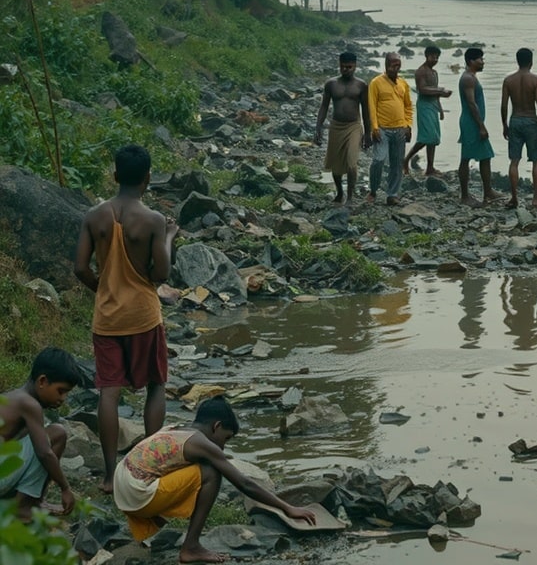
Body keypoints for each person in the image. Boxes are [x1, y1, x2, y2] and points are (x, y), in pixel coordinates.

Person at [74, 143, 177, 493]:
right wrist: (169, 238)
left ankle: (107, 475)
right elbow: (160, 274)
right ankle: (151, 466)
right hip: (144, 316)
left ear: (115, 175)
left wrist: (102, 290)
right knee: (156, 384)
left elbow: (80, 267)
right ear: (148, 179)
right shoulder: (153, 221)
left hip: (107, 317)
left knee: (108, 391)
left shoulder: (94, 215)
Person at [113, 396, 316, 562]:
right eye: (226, 438)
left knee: (194, 469)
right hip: (137, 493)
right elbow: (244, 483)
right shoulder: (200, 442)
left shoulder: (177, 429)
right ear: (216, 426)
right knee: (211, 472)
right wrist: (287, 508)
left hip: (123, 487)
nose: (223, 447)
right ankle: (191, 547)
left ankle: (159, 523)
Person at [0, 347, 81, 521]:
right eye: (61, 391)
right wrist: (65, 488)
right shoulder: (29, 404)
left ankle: (28, 502)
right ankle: (26, 506)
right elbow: (44, 452)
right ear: (42, 381)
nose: (63, 398)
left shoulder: (17, 397)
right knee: (57, 434)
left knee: (46, 436)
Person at [314, 51, 371, 205]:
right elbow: (324, 106)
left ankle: (351, 197)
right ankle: (340, 193)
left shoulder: (361, 85)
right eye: (343, 67)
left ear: (355, 66)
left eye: (349, 67)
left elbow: (366, 110)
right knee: (336, 164)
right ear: (339, 66)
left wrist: (368, 133)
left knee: (352, 162)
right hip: (336, 126)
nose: (346, 70)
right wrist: (318, 127)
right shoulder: (331, 84)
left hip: (353, 126)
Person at [500, 47, 537, 209]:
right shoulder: (536, 80)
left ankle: (514, 197)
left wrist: (504, 125)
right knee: (536, 160)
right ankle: (536, 198)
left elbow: (504, 105)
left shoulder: (508, 80)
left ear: (517, 61)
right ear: (531, 61)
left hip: (515, 120)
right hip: (531, 120)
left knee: (514, 161)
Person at [367, 52, 413, 206]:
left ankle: (392, 194)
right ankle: (373, 190)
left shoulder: (403, 84)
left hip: (400, 129)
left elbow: (408, 106)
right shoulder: (376, 82)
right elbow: (371, 106)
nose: (396, 66)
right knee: (378, 159)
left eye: (398, 64)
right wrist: (374, 127)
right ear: (386, 65)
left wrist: (408, 125)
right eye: (393, 63)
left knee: (397, 163)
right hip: (382, 129)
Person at [458, 47, 499, 206]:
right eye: (480, 59)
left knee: (485, 156)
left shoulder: (471, 77)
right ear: (471, 61)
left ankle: (488, 192)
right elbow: (471, 103)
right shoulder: (468, 78)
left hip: (472, 122)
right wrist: (481, 126)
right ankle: (465, 196)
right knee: (467, 157)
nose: (483, 62)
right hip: (471, 123)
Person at [403, 46, 452, 176]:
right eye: (432, 57)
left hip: (433, 105)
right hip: (424, 106)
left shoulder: (434, 73)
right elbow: (423, 89)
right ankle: (406, 159)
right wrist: (441, 91)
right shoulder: (421, 71)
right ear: (426, 56)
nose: (435, 59)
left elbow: (435, 92)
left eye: (437, 57)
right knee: (426, 137)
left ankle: (430, 167)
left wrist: (440, 109)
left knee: (434, 138)